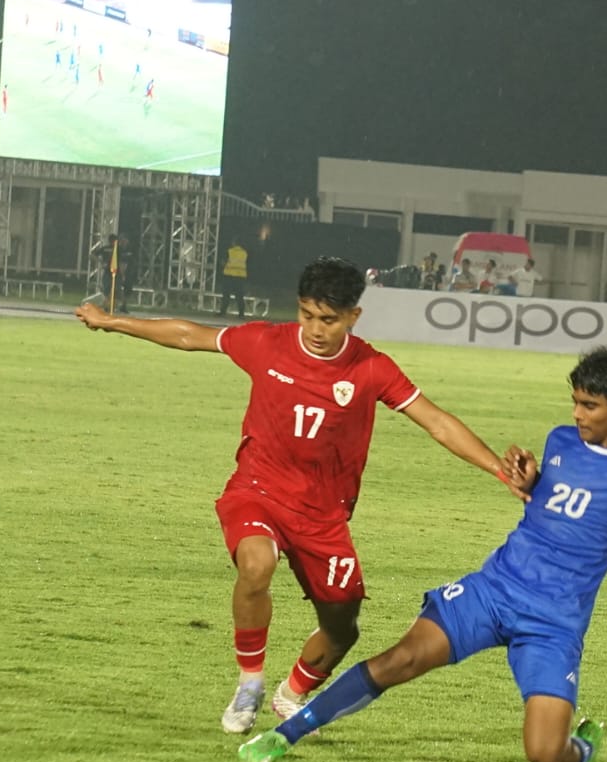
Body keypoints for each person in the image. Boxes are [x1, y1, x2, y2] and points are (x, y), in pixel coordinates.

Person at [237, 345, 607, 762]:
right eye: (576, 402)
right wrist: (529, 478)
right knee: (399, 661)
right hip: (495, 589)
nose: (578, 414)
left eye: (592, 406)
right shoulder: (560, 439)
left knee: (544, 754)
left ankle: (581, 749)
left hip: (554, 621)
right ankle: (284, 736)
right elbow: (548, 496)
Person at [74, 257, 530, 735]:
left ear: (353, 316)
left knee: (342, 630)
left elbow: (436, 422)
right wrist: (113, 321)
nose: (314, 329)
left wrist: (500, 470)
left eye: (328, 320)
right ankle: (249, 681)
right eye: (307, 315)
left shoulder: (372, 368)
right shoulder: (267, 343)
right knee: (256, 565)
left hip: (323, 518)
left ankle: (291, 692)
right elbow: (191, 335)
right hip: (258, 491)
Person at [89, 233, 131, 313]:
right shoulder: (118, 249)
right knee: (118, 290)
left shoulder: (105, 248)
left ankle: (108, 306)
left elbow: (92, 254)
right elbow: (122, 262)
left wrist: (100, 262)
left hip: (107, 271)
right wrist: (123, 274)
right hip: (116, 272)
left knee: (107, 290)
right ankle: (120, 306)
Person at [216, 240, 249, 318]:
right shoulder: (244, 253)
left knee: (226, 295)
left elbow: (223, 262)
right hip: (240, 276)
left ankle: (223, 312)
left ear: (234, 243)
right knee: (240, 296)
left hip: (229, 275)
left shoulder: (230, 251)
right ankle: (241, 314)